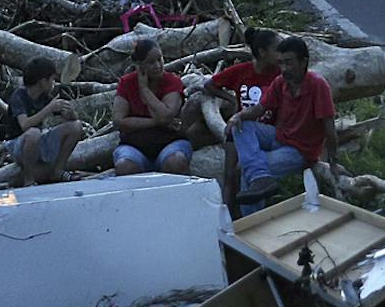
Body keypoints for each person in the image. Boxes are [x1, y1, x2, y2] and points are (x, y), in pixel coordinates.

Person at [229, 35, 337, 211]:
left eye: (289, 62)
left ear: (303, 62)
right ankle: (260, 178)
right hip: (279, 137)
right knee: (241, 126)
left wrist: (333, 163)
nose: (284, 68)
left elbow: (329, 129)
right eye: (281, 63)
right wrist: (239, 116)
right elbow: (260, 109)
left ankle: (252, 224)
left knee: (247, 172)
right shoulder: (281, 82)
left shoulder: (318, 85)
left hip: (299, 151)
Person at [201, 28, 282, 196]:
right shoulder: (242, 71)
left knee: (244, 170)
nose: (281, 55)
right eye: (277, 50)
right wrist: (230, 99)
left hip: (268, 130)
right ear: (262, 52)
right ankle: (227, 213)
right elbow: (210, 85)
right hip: (241, 129)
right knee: (230, 174)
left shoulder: (280, 75)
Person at [112, 37, 192, 176]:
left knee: (175, 162)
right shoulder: (126, 83)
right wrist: (155, 122)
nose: (157, 66)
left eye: (159, 59)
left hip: (170, 143)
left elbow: (166, 115)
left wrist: (145, 90)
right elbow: (119, 121)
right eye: (150, 62)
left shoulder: (172, 81)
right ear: (139, 65)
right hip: (134, 145)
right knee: (125, 166)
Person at [0, 56, 79, 186]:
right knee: (33, 133)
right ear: (43, 81)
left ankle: (57, 171)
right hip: (17, 144)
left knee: (75, 127)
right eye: (52, 79)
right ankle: (28, 178)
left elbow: (72, 119)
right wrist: (49, 108)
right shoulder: (19, 96)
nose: (54, 83)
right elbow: (24, 125)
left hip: (37, 139)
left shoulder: (45, 97)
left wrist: (70, 113)